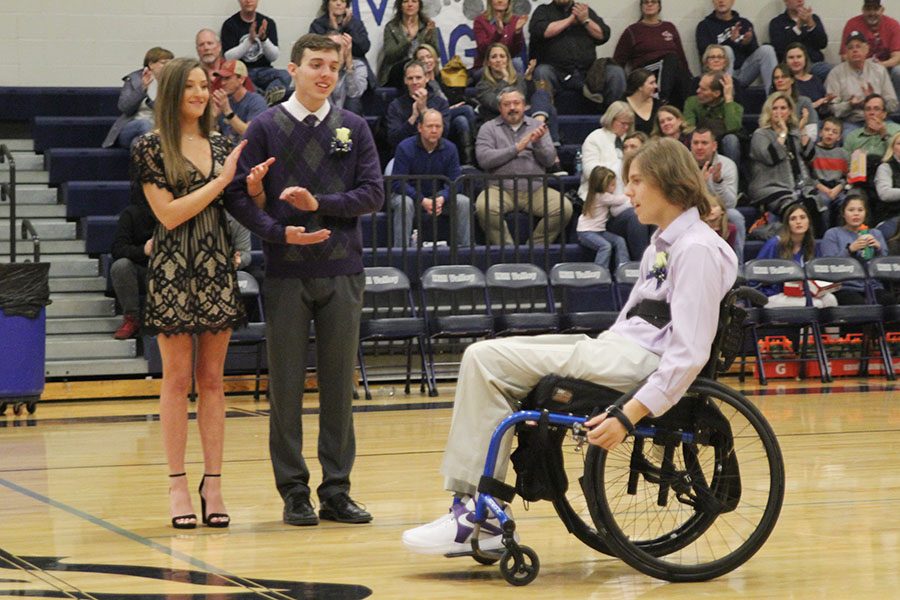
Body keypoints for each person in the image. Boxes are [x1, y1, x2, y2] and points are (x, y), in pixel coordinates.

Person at [401, 137, 738, 555]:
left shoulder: (699, 249)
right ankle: (477, 508)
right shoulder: (663, 244)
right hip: (617, 349)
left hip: (639, 364)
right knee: (492, 358)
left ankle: (481, 516)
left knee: (484, 359)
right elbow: (631, 321)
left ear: (668, 183)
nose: (626, 191)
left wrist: (626, 416)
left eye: (635, 181)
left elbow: (689, 354)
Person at [225, 34, 384, 526]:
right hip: (286, 275)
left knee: (339, 388)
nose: (325, 74)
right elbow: (236, 195)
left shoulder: (354, 127)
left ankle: (337, 490)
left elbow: (373, 194)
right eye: (315, 64)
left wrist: (321, 205)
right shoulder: (265, 127)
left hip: (343, 272)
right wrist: (278, 231)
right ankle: (294, 492)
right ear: (291, 70)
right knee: (287, 387)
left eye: (333, 67)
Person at [132, 57, 250, 529]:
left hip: (216, 266)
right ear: (173, 93)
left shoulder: (222, 143)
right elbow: (167, 214)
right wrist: (221, 182)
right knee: (177, 381)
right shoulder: (149, 147)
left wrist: (253, 188)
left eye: (206, 85)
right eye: (191, 87)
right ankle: (178, 483)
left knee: (215, 381)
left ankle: (214, 482)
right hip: (173, 268)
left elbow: (237, 204)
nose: (201, 94)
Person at [474, 87, 572, 246]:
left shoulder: (537, 126)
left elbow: (549, 160)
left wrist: (538, 143)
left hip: (535, 188)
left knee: (564, 208)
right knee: (484, 206)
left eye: (516, 103)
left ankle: (534, 248)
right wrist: (517, 148)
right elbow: (484, 159)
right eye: (507, 104)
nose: (512, 108)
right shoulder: (488, 128)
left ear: (525, 106)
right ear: (500, 108)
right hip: (500, 189)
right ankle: (508, 250)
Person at [578, 101, 651, 260]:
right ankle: (640, 264)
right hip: (602, 202)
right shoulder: (595, 138)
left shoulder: (628, 139)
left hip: (624, 201)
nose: (626, 127)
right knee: (636, 216)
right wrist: (615, 170)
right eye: (622, 123)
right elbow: (591, 172)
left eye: (629, 124)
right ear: (611, 119)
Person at [390, 109, 471, 247]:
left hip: (437, 198)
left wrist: (442, 198)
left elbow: (456, 182)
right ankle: (401, 252)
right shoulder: (404, 147)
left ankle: (464, 251)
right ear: (420, 127)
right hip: (410, 196)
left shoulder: (450, 149)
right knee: (404, 203)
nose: (434, 130)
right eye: (430, 126)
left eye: (438, 126)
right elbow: (398, 183)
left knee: (463, 201)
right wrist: (422, 200)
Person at [528, 0, 626, 104]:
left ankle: (615, 116)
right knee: (541, 71)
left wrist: (585, 20)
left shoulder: (583, 10)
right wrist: (570, 19)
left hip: (588, 72)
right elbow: (542, 31)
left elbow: (603, 35)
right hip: (556, 71)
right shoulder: (543, 11)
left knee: (615, 72)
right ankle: (544, 115)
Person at [755, 202, 837, 307]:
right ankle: (811, 324)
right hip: (774, 295)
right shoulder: (774, 244)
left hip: (804, 293)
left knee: (830, 299)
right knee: (816, 304)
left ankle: (829, 324)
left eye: (802, 217)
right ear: (787, 224)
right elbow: (756, 274)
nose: (798, 222)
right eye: (793, 219)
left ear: (809, 221)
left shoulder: (812, 246)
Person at [612, 0, 692, 107]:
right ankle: (661, 99)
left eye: (653, 2)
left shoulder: (669, 27)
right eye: (646, 2)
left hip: (670, 70)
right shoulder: (632, 30)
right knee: (671, 59)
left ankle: (686, 111)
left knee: (682, 72)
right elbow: (618, 61)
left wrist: (688, 76)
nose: (649, 4)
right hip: (645, 72)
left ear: (659, 6)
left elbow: (681, 57)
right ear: (641, 7)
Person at [748, 92, 815, 217]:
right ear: (769, 111)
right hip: (769, 187)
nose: (779, 112)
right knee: (794, 209)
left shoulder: (794, 134)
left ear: (789, 111)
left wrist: (802, 130)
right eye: (775, 108)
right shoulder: (761, 134)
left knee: (817, 204)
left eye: (783, 108)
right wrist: (782, 133)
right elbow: (771, 157)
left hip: (798, 186)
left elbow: (809, 156)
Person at [476, 43, 557, 143]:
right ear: (488, 62)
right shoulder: (482, 85)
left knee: (542, 94)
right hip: (501, 119)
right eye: (494, 57)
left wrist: (528, 79)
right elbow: (495, 104)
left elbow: (526, 98)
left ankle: (541, 129)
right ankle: (538, 130)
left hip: (521, 115)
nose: (498, 60)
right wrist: (505, 80)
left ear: (508, 61)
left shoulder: (517, 78)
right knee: (549, 109)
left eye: (502, 56)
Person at [820, 194, 894, 305]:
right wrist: (849, 250)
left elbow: (886, 267)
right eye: (851, 210)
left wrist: (879, 249)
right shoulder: (833, 234)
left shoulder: (875, 234)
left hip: (873, 285)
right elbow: (829, 266)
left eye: (860, 210)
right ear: (843, 213)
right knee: (857, 303)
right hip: (845, 287)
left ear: (865, 213)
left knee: (890, 301)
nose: (856, 214)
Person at [413, 44, 478, 164]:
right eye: (421, 59)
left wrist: (452, 106)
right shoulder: (418, 82)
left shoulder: (439, 78)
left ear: (435, 58)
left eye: (429, 57)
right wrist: (447, 109)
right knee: (467, 110)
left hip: (448, 118)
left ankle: (469, 163)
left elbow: (452, 98)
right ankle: (478, 149)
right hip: (432, 118)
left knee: (461, 121)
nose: (426, 61)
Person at [826, 31, 899, 135]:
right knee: (849, 138)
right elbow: (834, 110)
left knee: (896, 135)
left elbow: (893, 104)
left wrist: (875, 101)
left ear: (867, 49)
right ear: (846, 52)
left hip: (881, 120)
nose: (855, 50)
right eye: (851, 48)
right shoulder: (836, 73)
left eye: (858, 46)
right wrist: (850, 104)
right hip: (853, 122)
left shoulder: (879, 70)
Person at [695, 0, 778, 92]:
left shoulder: (744, 23)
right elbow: (705, 53)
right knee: (726, 50)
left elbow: (755, 53)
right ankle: (728, 96)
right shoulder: (704, 26)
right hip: (718, 77)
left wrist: (747, 43)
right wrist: (731, 42)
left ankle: (774, 96)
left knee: (767, 50)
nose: (721, 1)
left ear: (732, 1)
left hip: (744, 72)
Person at [690, 127, 745, 263]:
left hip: (717, 209)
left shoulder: (726, 165)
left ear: (714, 146)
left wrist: (718, 182)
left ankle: (738, 267)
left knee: (735, 216)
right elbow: (679, 202)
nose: (699, 147)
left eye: (704, 143)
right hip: (690, 209)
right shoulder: (683, 165)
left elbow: (731, 203)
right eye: (695, 143)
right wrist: (699, 185)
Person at [309, 0, 374, 114]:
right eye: (334, 0)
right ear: (327, 4)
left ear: (347, 5)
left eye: (343, 1)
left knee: (353, 99)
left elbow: (363, 48)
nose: (339, 4)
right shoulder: (318, 24)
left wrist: (348, 27)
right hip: (326, 66)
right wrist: (334, 29)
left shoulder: (355, 23)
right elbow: (315, 49)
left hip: (351, 65)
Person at [221, 0, 292, 104]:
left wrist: (263, 39)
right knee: (238, 83)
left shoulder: (267, 23)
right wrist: (249, 40)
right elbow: (228, 58)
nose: (248, 1)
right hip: (243, 73)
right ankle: (265, 99)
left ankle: (265, 97)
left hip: (265, 71)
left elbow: (274, 56)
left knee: (286, 75)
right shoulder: (230, 25)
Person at [102, 47, 173, 149]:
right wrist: (142, 89)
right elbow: (124, 107)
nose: (168, 67)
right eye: (164, 63)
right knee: (144, 125)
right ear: (151, 64)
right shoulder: (134, 80)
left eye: (170, 64)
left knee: (137, 143)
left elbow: (168, 113)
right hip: (132, 126)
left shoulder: (172, 83)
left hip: (160, 130)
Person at [109, 195, 155, 340]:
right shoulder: (131, 213)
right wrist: (143, 250)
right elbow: (118, 249)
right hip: (141, 271)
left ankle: (156, 318)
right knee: (121, 266)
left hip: (167, 269)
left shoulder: (176, 211)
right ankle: (131, 318)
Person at [384, 60, 450, 149]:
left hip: (434, 153)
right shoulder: (395, 105)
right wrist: (413, 118)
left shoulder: (441, 103)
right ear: (405, 80)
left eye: (418, 77)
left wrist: (423, 110)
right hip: (405, 153)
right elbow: (393, 139)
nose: (414, 82)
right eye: (410, 78)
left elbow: (444, 134)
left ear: (426, 78)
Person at [840, 0, 900, 97]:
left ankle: (896, 110)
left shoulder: (893, 25)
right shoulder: (852, 24)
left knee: (898, 72)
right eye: (868, 9)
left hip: (885, 68)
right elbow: (844, 56)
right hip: (858, 67)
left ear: (882, 10)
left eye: (875, 9)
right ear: (863, 10)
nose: (872, 13)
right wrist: (865, 65)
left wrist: (879, 65)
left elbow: (897, 57)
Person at [683, 71, 743, 165]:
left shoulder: (734, 106)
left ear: (716, 93)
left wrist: (728, 98)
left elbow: (733, 128)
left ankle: (733, 173)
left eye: (703, 89)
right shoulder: (692, 102)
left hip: (722, 143)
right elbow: (689, 127)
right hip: (701, 141)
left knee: (731, 139)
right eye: (699, 87)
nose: (697, 91)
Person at [577, 165, 630, 269]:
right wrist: (630, 193)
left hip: (599, 231)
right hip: (586, 232)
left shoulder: (597, 195)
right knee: (605, 246)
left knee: (619, 241)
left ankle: (623, 267)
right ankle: (600, 271)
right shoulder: (602, 196)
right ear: (602, 185)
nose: (615, 188)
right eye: (612, 185)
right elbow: (620, 200)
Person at [377, 0, 438, 88]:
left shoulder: (427, 25)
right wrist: (408, 40)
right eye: (405, 1)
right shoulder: (392, 26)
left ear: (419, 5)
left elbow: (436, 53)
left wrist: (429, 37)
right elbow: (390, 54)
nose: (410, 5)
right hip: (398, 74)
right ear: (400, 6)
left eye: (414, 1)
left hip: (422, 72)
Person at [768, 0, 831, 82]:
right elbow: (780, 48)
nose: (800, 1)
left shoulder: (813, 18)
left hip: (814, 65)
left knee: (833, 71)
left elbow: (823, 43)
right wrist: (798, 27)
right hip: (791, 67)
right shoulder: (777, 22)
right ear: (786, 1)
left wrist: (811, 24)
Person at [211, 59, 267, 144]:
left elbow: (250, 133)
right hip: (228, 151)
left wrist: (227, 111)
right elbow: (212, 134)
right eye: (222, 79)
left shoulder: (256, 102)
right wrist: (214, 117)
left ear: (241, 79)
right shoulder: (225, 101)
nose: (222, 83)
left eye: (227, 78)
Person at [810, 117, 850, 226]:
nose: (830, 134)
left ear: (839, 137)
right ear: (820, 132)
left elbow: (848, 177)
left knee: (846, 202)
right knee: (823, 201)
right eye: (827, 130)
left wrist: (839, 187)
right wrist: (824, 189)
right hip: (819, 188)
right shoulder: (812, 151)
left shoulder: (843, 153)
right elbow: (807, 175)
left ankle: (841, 234)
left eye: (834, 132)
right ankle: (824, 236)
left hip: (837, 188)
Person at [472, 0, 528, 75]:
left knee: (517, 63)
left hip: (507, 64)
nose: (500, 1)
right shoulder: (480, 20)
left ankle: (516, 86)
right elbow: (483, 49)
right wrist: (498, 33)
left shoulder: (515, 20)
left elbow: (515, 51)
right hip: (485, 66)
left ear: (509, 2)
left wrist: (517, 32)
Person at [196, 28, 255, 94]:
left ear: (219, 47)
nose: (206, 48)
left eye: (210, 43)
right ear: (197, 50)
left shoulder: (234, 68)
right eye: (201, 45)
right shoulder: (193, 73)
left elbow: (252, 99)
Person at [771, 63, 818, 142]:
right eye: (776, 78)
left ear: (792, 80)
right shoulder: (770, 103)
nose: (779, 80)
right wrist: (800, 127)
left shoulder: (804, 102)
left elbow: (812, 135)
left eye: (784, 77)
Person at [322, 30, 367, 111]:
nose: (335, 51)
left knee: (353, 103)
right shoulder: (319, 68)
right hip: (325, 114)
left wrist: (349, 65)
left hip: (348, 115)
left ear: (346, 48)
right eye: (331, 47)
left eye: (338, 47)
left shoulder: (358, 66)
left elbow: (355, 93)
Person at [784, 42, 833, 115]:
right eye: (791, 57)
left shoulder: (815, 80)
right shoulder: (783, 82)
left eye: (799, 57)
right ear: (785, 61)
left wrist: (826, 102)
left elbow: (823, 110)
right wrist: (813, 105)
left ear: (805, 59)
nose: (795, 61)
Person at [624, 69, 660, 135]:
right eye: (651, 83)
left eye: (655, 82)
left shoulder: (659, 105)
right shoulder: (621, 105)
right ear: (640, 86)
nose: (656, 86)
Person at [874, 131, 900, 225]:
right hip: (891, 216)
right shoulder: (885, 167)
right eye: (899, 143)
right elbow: (884, 194)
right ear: (893, 148)